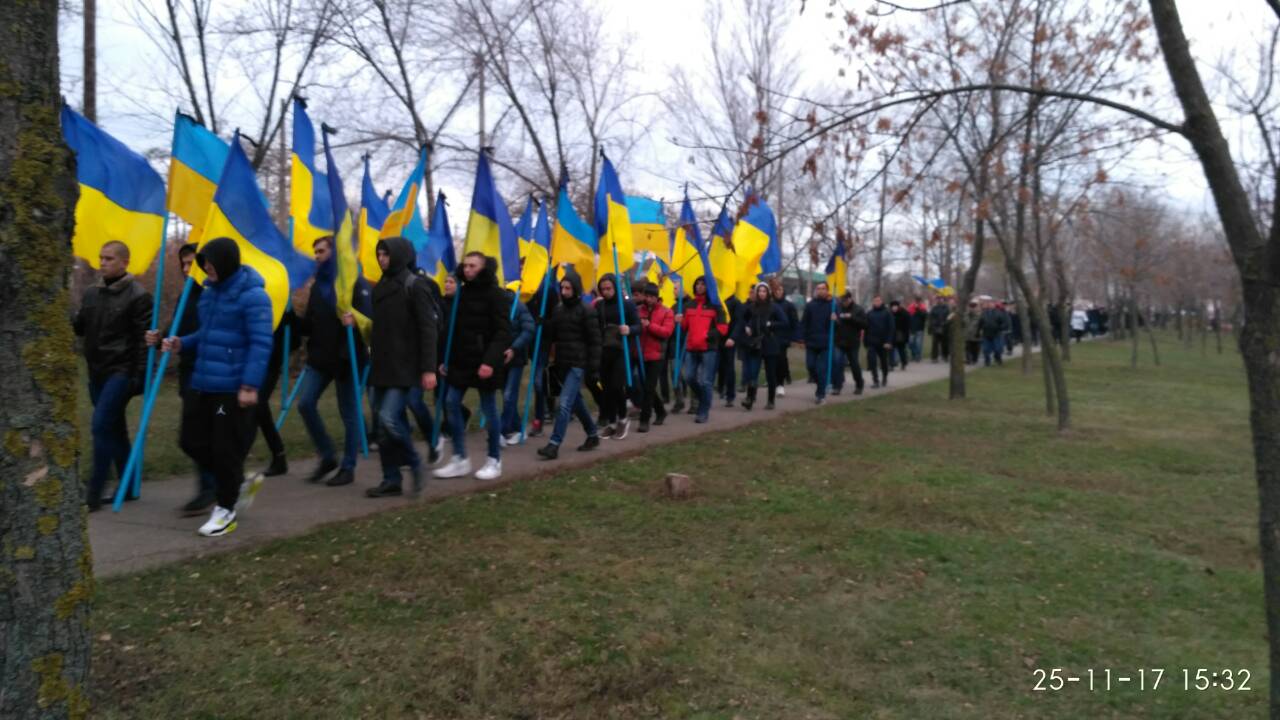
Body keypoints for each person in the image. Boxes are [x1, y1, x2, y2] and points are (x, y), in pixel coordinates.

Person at [161, 237, 272, 536]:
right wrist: (182, 343)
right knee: (190, 441)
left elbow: (261, 343)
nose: (206, 268)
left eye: (209, 263)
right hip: (202, 381)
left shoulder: (254, 297)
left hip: (231, 387)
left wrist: (250, 385)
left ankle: (225, 511)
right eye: (204, 264)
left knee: (224, 448)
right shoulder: (210, 294)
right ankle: (235, 480)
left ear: (225, 261)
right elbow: (206, 334)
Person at [353, 237, 437, 499]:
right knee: (381, 426)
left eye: (386, 254)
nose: (381, 259)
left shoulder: (416, 285)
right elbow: (380, 328)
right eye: (379, 254)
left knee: (389, 418)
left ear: (400, 255)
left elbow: (428, 329)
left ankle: (415, 464)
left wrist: (428, 369)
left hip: (405, 367)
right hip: (381, 366)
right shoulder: (379, 288)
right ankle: (391, 479)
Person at [74, 240, 152, 512]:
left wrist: (139, 376)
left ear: (124, 262)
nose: (103, 263)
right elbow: (80, 328)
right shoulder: (92, 293)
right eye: (101, 257)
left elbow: (142, 341)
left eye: (109, 258)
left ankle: (94, 492)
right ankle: (129, 486)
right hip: (96, 370)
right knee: (114, 429)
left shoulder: (138, 296)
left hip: (121, 372)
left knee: (100, 426)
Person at [147, 243, 218, 515]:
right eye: (183, 264)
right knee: (197, 435)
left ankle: (217, 482)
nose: (187, 269)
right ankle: (212, 485)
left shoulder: (213, 294)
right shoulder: (185, 295)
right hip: (188, 371)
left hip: (209, 371)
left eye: (192, 263)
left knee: (193, 437)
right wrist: (159, 338)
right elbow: (175, 329)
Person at [294, 236, 369, 488]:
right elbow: (310, 324)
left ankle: (348, 467)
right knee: (305, 404)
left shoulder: (354, 282)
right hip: (320, 358)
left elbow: (369, 321)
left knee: (349, 413)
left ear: (334, 252)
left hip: (347, 358)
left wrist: (354, 322)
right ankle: (327, 456)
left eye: (321, 251)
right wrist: (290, 318)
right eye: (315, 252)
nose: (317, 256)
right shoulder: (318, 285)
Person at [435, 252, 511, 481]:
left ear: (483, 268)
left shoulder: (496, 295)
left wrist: (489, 362)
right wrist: (444, 358)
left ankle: (494, 459)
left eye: (473, 266)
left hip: (485, 362)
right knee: (451, 402)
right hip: (461, 360)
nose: (467, 269)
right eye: (465, 265)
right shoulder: (462, 292)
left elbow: (502, 332)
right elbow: (452, 329)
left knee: (489, 408)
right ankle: (460, 458)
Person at [537, 268, 602, 459]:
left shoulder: (587, 310)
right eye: (562, 288)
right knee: (576, 402)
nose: (564, 291)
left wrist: (594, 368)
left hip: (578, 364)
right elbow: (554, 334)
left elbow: (595, 341)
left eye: (568, 288)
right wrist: (544, 324)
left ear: (576, 289)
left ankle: (554, 444)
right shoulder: (558, 310)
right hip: (562, 363)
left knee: (564, 404)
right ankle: (592, 434)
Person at [593, 273, 641, 439]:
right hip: (604, 350)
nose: (606, 292)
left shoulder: (626, 304)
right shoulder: (599, 306)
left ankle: (623, 419)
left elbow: (638, 326)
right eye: (603, 289)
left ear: (615, 287)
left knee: (616, 386)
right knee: (606, 389)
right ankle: (612, 422)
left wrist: (629, 329)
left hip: (622, 351)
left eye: (609, 288)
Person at [677, 276, 728, 423]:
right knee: (688, 377)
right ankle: (704, 399)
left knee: (706, 381)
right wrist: (680, 321)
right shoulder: (689, 305)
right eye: (697, 284)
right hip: (691, 348)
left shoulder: (716, 306)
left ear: (709, 287)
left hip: (709, 349)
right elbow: (685, 327)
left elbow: (723, 328)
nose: (699, 286)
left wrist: (707, 335)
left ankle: (703, 411)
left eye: (703, 284)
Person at [737, 281, 789, 409]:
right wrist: (747, 326)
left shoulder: (774, 307)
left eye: (764, 291)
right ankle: (749, 399)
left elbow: (785, 322)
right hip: (755, 344)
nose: (761, 293)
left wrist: (772, 324)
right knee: (753, 373)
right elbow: (743, 319)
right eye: (759, 291)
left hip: (770, 344)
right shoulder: (752, 307)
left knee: (770, 374)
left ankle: (771, 401)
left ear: (768, 293)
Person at [500, 287, 536, 445]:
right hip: (501, 358)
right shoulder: (496, 305)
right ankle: (519, 429)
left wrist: (514, 348)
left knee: (509, 395)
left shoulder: (519, 306)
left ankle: (501, 431)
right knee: (506, 395)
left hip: (516, 358)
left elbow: (529, 329)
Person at [637, 280, 674, 431]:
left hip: (657, 355)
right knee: (645, 387)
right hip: (639, 354)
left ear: (657, 297)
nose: (649, 299)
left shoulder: (667, 312)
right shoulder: (638, 310)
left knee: (648, 388)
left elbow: (666, 332)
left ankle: (644, 420)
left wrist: (649, 326)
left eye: (652, 297)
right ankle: (660, 410)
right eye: (647, 296)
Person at [799, 282, 836, 404]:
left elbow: (839, 324)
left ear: (827, 290)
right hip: (812, 342)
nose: (820, 290)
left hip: (826, 343)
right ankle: (821, 383)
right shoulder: (810, 305)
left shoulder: (833, 305)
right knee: (810, 366)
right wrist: (801, 338)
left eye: (823, 288)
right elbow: (804, 322)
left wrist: (836, 319)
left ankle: (820, 394)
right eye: (818, 288)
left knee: (822, 370)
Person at [833, 291, 868, 396]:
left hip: (853, 342)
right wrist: (834, 320)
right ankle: (837, 386)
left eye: (845, 300)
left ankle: (859, 384)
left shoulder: (858, 309)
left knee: (854, 364)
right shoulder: (838, 308)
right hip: (839, 341)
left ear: (850, 299)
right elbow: (836, 324)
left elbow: (865, 325)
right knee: (838, 363)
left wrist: (852, 318)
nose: (843, 303)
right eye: (842, 300)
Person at [770, 278, 798, 395]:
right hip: (770, 337)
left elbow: (794, 322)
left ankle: (780, 383)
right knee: (772, 361)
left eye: (780, 290)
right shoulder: (769, 304)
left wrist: (793, 337)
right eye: (776, 290)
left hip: (783, 338)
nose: (778, 292)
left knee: (781, 360)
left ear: (783, 291)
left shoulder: (789, 305)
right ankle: (773, 380)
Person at [716, 293, 741, 408]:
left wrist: (733, 337)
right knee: (719, 366)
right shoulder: (716, 299)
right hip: (717, 338)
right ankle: (721, 387)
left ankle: (730, 395)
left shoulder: (735, 302)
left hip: (729, 339)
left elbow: (738, 322)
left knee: (729, 366)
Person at [865, 295, 894, 388]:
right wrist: (866, 341)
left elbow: (891, 328)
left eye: (878, 300)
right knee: (872, 361)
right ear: (873, 302)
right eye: (875, 301)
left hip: (883, 342)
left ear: (881, 301)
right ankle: (875, 380)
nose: (877, 302)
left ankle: (884, 377)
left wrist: (889, 341)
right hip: (872, 342)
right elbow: (866, 328)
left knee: (883, 361)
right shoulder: (869, 313)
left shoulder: (887, 313)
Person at [979, 299, 1010, 366]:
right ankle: (987, 361)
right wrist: (979, 330)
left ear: (994, 304)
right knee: (986, 349)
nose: (990, 305)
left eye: (991, 303)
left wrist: (1000, 328)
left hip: (996, 333)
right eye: (988, 303)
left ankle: (998, 359)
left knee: (997, 348)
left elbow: (1004, 323)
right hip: (986, 334)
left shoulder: (998, 313)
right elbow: (980, 323)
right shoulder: (984, 313)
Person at [928, 296, 952, 363]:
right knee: (935, 343)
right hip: (936, 328)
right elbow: (931, 317)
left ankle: (945, 356)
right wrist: (932, 325)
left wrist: (945, 322)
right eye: (938, 299)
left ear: (943, 300)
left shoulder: (947, 308)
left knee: (945, 343)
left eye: (940, 299)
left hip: (945, 328)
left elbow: (949, 317)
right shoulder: (934, 308)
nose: (939, 300)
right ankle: (934, 357)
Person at [890, 300, 911, 370]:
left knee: (901, 349)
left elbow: (907, 326)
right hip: (892, 333)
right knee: (891, 349)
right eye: (893, 306)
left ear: (898, 306)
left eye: (895, 306)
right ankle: (891, 364)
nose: (894, 308)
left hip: (901, 334)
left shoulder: (904, 313)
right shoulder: (889, 313)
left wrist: (906, 336)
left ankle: (903, 363)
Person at [908, 296, 927, 362]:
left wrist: (918, 309)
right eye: (916, 301)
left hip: (919, 329)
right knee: (910, 343)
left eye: (919, 301)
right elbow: (908, 317)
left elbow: (924, 317)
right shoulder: (910, 307)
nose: (917, 303)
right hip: (912, 328)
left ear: (920, 301)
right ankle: (914, 354)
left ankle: (918, 356)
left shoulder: (923, 308)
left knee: (918, 344)